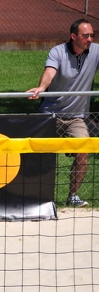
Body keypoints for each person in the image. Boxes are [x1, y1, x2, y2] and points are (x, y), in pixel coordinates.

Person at [28, 18, 99, 207]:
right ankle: (34, 196)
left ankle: (72, 196)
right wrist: (41, 87)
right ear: (74, 36)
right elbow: (50, 72)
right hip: (50, 115)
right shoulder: (57, 52)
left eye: (92, 35)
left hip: (77, 117)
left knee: (83, 151)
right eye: (86, 36)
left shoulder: (96, 52)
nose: (90, 39)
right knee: (37, 153)